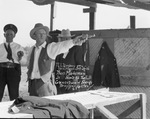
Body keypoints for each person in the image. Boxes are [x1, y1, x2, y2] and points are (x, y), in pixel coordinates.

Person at [25, 23, 87, 97]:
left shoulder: (50, 47)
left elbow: (62, 46)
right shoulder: (31, 49)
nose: (42, 35)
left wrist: (73, 41)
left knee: (46, 106)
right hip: (32, 84)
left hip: (44, 84)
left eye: (44, 33)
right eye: (39, 33)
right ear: (34, 35)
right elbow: (27, 63)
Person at [54, 29, 92, 94]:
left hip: (71, 82)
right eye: (63, 39)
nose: (65, 40)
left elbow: (80, 65)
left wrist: (75, 80)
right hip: (60, 82)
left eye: (66, 38)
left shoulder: (76, 48)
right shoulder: (59, 50)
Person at [0, 24, 25, 102]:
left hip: (13, 71)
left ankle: (14, 111)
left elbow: (24, 61)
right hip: (1, 71)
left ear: (14, 36)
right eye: (7, 34)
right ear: (4, 35)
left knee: (14, 94)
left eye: (11, 34)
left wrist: (20, 58)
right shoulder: (0, 47)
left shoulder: (19, 47)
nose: (9, 36)